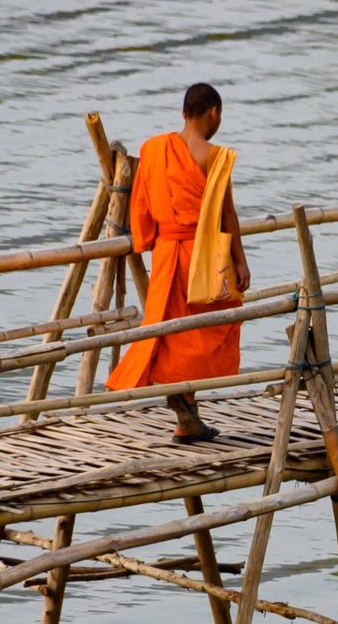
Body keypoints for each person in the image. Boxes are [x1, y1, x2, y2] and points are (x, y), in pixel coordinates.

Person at [106, 83, 252, 442]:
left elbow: (140, 206)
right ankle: (187, 415)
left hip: (167, 254)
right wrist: (241, 261)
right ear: (213, 113)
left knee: (168, 337)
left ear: (183, 112)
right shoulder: (215, 156)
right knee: (211, 330)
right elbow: (226, 215)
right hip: (202, 256)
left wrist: (147, 242)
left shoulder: (152, 149)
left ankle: (187, 417)